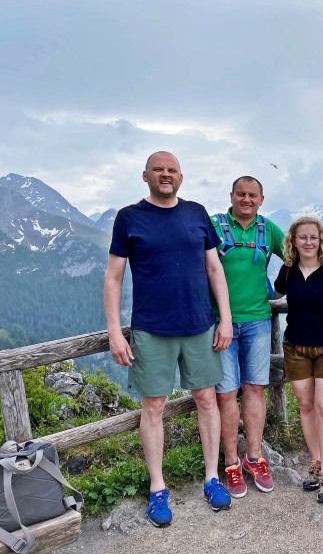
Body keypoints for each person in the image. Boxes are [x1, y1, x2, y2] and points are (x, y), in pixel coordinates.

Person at [104, 151, 234, 526]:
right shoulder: (129, 218)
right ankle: (157, 488)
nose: (165, 175)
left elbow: (214, 268)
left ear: (181, 177)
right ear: (145, 175)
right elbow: (113, 277)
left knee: (207, 399)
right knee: (154, 406)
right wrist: (114, 332)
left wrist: (225, 319)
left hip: (200, 324)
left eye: (172, 170)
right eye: (158, 170)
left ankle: (212, 478)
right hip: (151, 328)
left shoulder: (196, 213)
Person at [212, 176, 285, 498]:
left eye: (252, 195)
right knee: (226, 394)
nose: (246, 199)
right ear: (231, 196)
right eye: (241, 194)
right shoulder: (214, 225)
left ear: (261, 199)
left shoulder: (269, 229)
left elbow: (299, 255)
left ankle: (254, 457)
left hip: (257, 320)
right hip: (220, 323)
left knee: (255, 388)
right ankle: (231, 462)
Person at [274, 216, 323, 504]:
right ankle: (315, 463)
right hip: (296, 347)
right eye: (302, 237)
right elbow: (273, 292)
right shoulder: (288, 271)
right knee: (306, 406)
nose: (308, 242)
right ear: (293, 241)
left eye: (313, 237)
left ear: (321, 240)